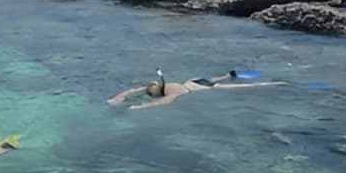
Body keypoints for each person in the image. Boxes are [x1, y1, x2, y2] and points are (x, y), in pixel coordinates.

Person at [107, 69, 285, 110]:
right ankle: (229, 74)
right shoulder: (164, 84)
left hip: (202, 88)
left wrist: (141, 107)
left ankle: (274, 84)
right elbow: (134, 90)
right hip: (194, 81)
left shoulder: (171, 93)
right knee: (216, 79)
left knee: (242, 87)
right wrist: (118, 98)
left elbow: (165, 102)